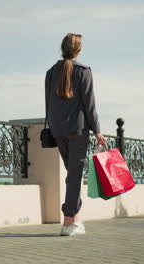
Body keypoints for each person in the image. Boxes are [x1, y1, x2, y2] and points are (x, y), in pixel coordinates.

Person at [45, 33, 106, 236]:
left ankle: (75, 219)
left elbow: (48, 104)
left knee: (73, 177)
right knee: (74, 177)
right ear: (78, 50)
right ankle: (67, 223)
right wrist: (97, 131)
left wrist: (54, 127)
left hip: (58, 130)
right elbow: (90, 105)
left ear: (63, 48)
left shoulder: (51, 72)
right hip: (77, 131)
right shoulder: (83, 71)